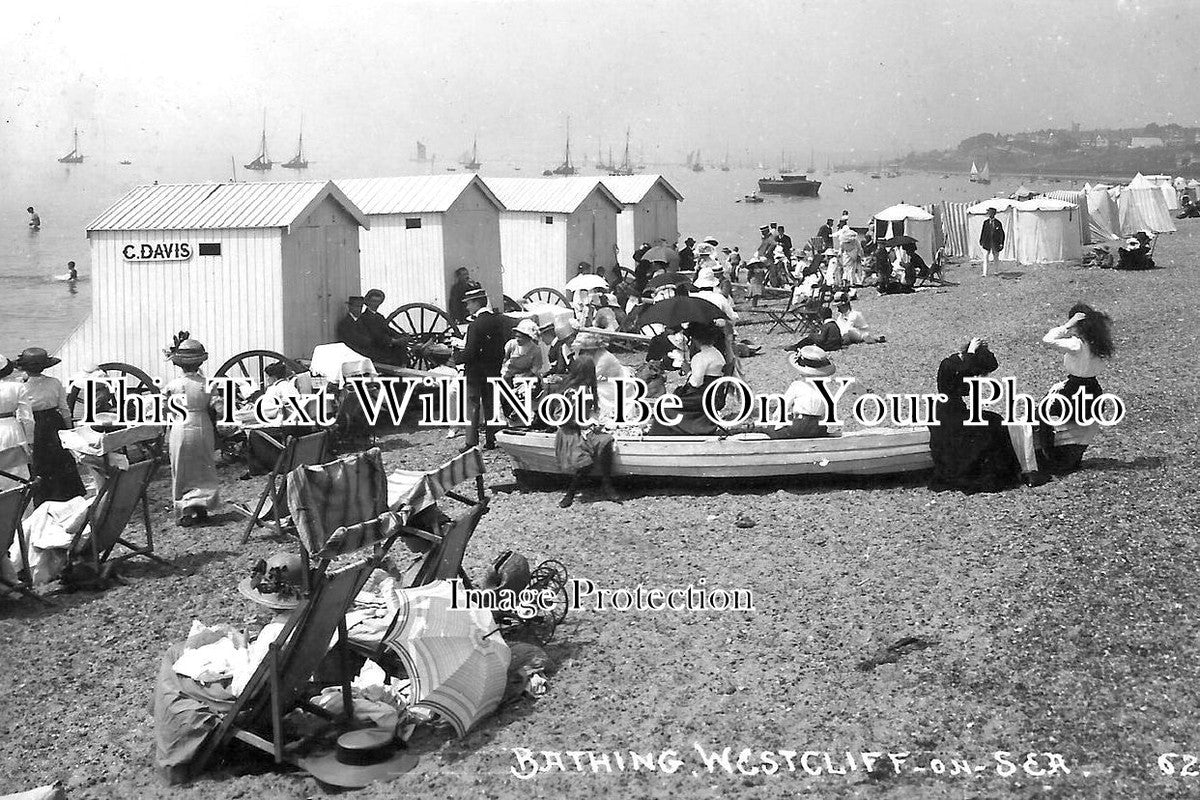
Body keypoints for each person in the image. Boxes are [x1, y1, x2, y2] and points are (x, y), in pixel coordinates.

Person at [927, 338, 1022, 493]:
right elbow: (962, 374)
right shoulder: (949, 364)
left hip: (955, 411)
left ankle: (1004, 469)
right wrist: (971, 351)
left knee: (995, 420)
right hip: (946, 415)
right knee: (991, 424)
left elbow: (973, 374)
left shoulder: (962, 365)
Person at [1035, 304, 1115, 474]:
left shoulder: (1077, 344)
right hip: (1093, 389)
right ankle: (1072, 457)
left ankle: (1049, 456)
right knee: (1083, 423)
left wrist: (1067, 324)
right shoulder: (1099, 343)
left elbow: (1047, 340)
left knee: (1043, 415)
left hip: (1074, 389)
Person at [12, 347, 84, 505]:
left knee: (38, 460)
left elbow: (22, 414)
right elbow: (64, 409)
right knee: (61, 458)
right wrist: (70, 430)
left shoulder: (21, 386)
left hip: (34, 423)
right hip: (54, 422)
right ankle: (67, 495)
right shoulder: (54, 382)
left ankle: (43, 497)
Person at [162, 339, 221, 525]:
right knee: (204, 466)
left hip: (180, 426)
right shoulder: (208, 384)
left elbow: (161, 408)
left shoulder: (172, 386)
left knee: (181, 468)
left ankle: (185, 510)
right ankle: (202, 507)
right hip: (202, 425)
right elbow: (219, 408)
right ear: (200, 362)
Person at [551, 356, 618, 508]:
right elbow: (560, 417)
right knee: (585, 463)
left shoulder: (585, 390)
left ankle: (607, 484)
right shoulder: (570, 392)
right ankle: (570, 493)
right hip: (569, 433)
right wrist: (581, 424)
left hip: (582, 430)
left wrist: (593, 423)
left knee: (606, 441)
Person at [647, 323, 725, 436]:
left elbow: (696, 383)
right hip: (715, 394)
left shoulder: (700, 357)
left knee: (665, 404)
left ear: (696, 340)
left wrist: (688, 371)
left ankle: (661, 434)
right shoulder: (717, 354)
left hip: (702, 397)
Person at [461, 287, 509, 450]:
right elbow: (501, 347)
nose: (467, 307)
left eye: (468, 303)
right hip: (492, 370)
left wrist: (456, 358)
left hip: (475, 372)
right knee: (490, 405)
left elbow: (470, 352)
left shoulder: (474, 325)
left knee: (473, 405)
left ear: (476, 303)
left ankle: (471, 442)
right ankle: (491, 439)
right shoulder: (498, 321)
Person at [760, 346, 835, 439]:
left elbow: (782, 410)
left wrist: (774, 424)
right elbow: (825, 414)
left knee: (770, 430)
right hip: (818, 428)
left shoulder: (797, 385)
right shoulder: (824, 388)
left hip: (799, 427)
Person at [570, 333, 628, 424]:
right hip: (603, 382)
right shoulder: (592, 356)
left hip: (615, 387)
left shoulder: (604, 358)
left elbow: (589, 377)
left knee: (588, 390)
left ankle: (593, 415)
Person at [360, 289, 411, 366]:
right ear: (368, 302)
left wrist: (400, 336)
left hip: (385, 345)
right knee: (398, 352)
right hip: (376, 348)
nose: (376, 304)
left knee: (402, 349)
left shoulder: (379, 317)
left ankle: (405, 368)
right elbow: (375, 335)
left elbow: (388, 330)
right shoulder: (364, 318)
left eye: (378, 302)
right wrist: (393, 341)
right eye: (373, 301)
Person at [980, 207, 1005, 277]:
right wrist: (981, 241)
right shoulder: (985, 223)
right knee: (985, 257)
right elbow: (983, 232)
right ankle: (985, 273)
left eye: (990, 213)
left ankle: (996, 271)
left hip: (995, 243)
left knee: (996, 257)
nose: (989, 214)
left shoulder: (998, 223)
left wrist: (1001, 243)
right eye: (989, 213)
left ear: (994, 214)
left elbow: (1001, 234)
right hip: (987, 242)